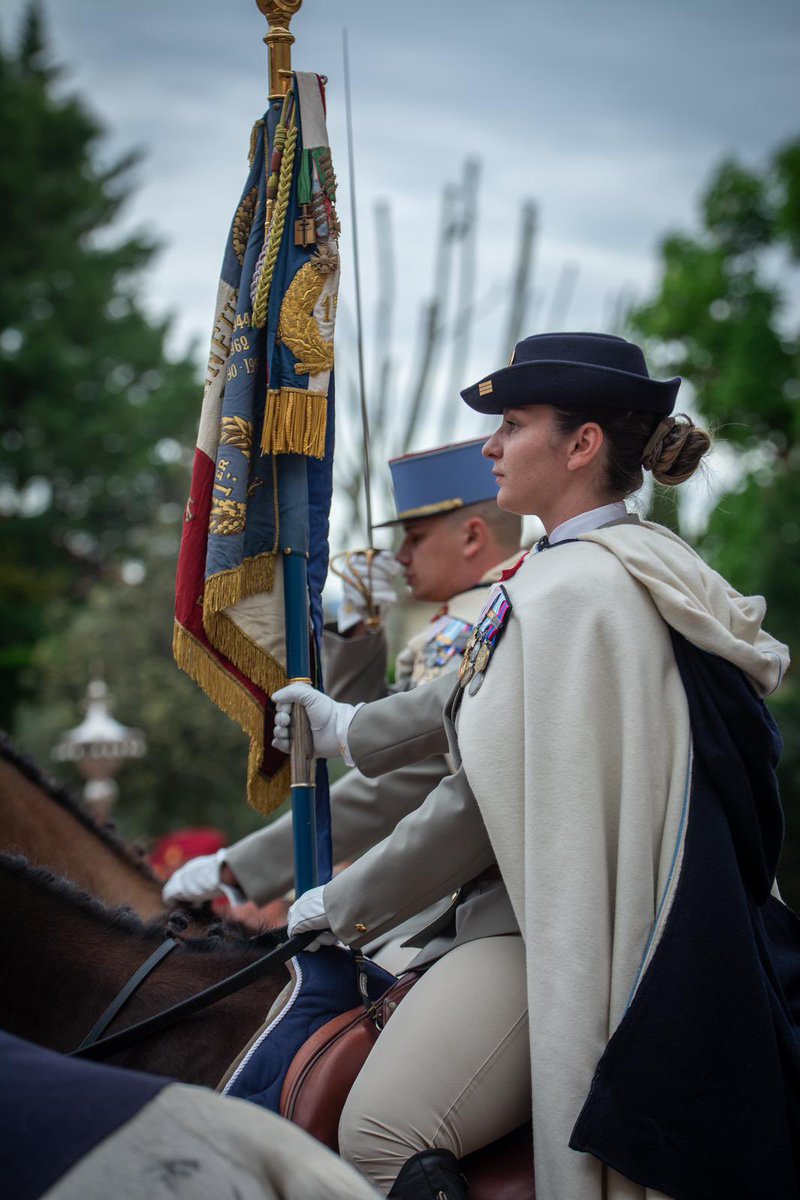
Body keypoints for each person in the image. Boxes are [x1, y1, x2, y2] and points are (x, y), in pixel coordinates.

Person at [272, 333, 800, 1200]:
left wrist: (349, 901)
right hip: (588, 912)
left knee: (375, 1133)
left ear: (582, 444)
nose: (489, 446)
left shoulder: (571, 593)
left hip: (543, 925)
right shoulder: (613, 571)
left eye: (512, 424)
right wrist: (353, 727)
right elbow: (480, 698)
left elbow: (486, 797)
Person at [163, 439, 523, 969]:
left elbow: (400, 782)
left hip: (476, 906)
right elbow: (382, 739)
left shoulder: (473, 627)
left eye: (415, 539)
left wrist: (244, 867)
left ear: (472, 536)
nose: (400, 557)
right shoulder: (454, 624)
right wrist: (359, 632)